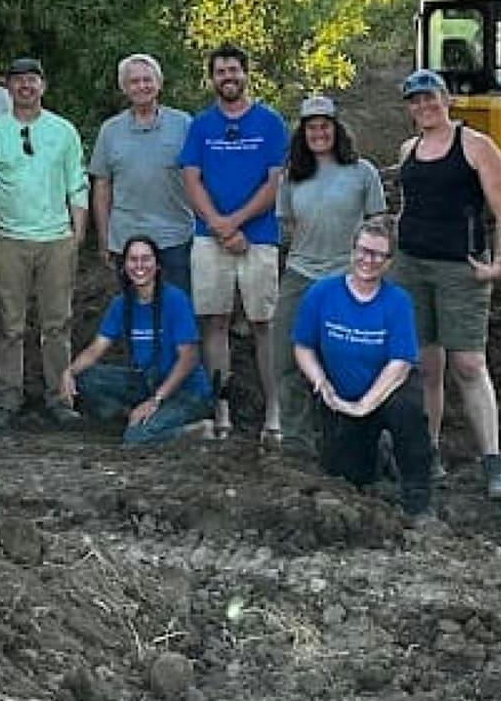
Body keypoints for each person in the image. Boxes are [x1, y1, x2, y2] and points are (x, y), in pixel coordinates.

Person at [391, 67, 501, 501]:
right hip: (412, 266)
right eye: (415, 101)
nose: (424, 106)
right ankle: (428, 454)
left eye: (430, 98)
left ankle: (493, 461)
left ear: (446, 99)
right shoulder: (409, 149)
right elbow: (407, 207)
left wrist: (498, 263)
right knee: (426, 366)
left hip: (460, 268)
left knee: (468, 364)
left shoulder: (476, 146)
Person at [178, 44, 289, 445]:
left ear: (246, 75)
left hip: (259, 240)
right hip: (209, 239)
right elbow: (191, 179)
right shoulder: (201, 125)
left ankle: (274, 412)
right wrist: (218, 226)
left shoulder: (271, 122)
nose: (228, 77)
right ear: (212, 79)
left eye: (234, 70)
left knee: (264, 324)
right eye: (220, 71)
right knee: (216, 322)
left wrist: (236, 223)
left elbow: (275, 181)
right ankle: (220, 409)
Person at [291, 221, 435, 518]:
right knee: (348, 473)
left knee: (407, 412)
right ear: (352, 250)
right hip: (341, 396)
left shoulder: (398, 302)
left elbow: (401, 362)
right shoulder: (322, 293)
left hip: (386, 392)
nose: (368, 260)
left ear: (388, 262)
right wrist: (321, 383)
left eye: (378, 255)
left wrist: (365, 405)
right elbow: (303, 346)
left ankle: (417, 493)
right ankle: (378, 459)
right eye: (364, 251)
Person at [0, 57, 87, 431]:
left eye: (32, 80)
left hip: (57, 239)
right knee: (8, 324)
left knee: (57, 323)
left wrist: (77, 236)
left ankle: (60, 395)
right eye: (18, 80)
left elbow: (77, 184)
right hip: (8, 238)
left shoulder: (64, 131)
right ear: (8, 87)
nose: (25, 86)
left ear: (43, 85)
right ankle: (7, 397)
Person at [273, 94, 388, 459]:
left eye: (325, 126)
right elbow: (286, 227)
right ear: (302, 133)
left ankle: (359, 437)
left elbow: (378, 225)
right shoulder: (292, 176)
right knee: (287, 357)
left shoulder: (362, 172)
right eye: (311, 127)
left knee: (349, 358)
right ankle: (296, 442)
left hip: (348, 277)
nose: (319, 133)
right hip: (301, 273)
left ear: (337, 129)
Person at [57, 235, 211, 446]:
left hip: (183, 390)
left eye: (146, 259)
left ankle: (194, 430)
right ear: (125, 265)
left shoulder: (175, 300)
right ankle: (138, 417)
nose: (139, 266)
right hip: (146, 381)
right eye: (133, 259)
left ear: (157, 265)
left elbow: (189, 358)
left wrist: (156, 400)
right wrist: (70, 372)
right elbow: (96, 349)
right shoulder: (121, 304)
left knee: (135, 439)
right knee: (85, 379)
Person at [88, 52, 195, 300]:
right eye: (134, 81)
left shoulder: (183, 124)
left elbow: (198, 178)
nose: (142, 86)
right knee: (134, 311)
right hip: (127, 239)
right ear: (124, 88)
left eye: (148, 80)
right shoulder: (110, 130)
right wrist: (104, 239)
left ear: (158, 84)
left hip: (176, 237)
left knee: (177, 308)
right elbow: (102, 186)